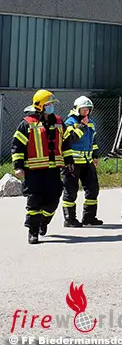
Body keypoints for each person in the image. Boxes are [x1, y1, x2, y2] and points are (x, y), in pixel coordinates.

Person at [10, 90, 75, 244]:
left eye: (52, 104)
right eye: (48, 104)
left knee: (54, 200)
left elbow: (66, 143)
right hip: (33, 171)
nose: (51, 107)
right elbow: (17, 146)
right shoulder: (27, 123)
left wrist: (69, 160)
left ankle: (43, 221)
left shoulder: (59, 122)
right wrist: (18, 166)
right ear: (40, 106)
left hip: (53, 170)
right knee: (34, 201)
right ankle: (33, 232)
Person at [61, 96, 102, 227]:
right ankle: (69, 219)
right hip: (72, 163)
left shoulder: (91, 123)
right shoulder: (69, 122)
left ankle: (89, 217)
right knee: (71, 191)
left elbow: (93, 141)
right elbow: (71, 139)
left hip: (87, 161)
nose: (86, 112)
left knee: (93, 189)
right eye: (84, 109)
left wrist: (95, 155)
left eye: (88, 110)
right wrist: (82, 126)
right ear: (77, 109)